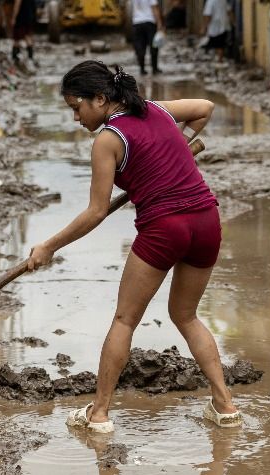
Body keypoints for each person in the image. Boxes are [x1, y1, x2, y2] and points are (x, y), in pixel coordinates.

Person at [27, 60, 242, 432]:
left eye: (77, 108)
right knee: (186, 315)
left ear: (100, 98)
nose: (76, 118)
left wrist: (48, 246)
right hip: (206, 220)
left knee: (125, 319)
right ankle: (225, 406)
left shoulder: (108, 140)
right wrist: (183, 146)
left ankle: (99, 414)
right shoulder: (156, 109)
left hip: (165, 226)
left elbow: (96, 212)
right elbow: (205, 108)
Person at [130, 0, 164, 76]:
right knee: (154, 45)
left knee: (140, 46)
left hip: (137, 23)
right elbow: (154, 8)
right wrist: (159, 23)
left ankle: (142, 69)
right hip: (149, 22)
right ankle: (154, 68)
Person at [3, 0, 36, 66]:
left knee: (16, 38)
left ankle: (15, 57)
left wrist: (14, 18)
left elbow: (17, 5)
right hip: (29, 16)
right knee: (27, 36)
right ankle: (30, 57)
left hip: (21, 17)